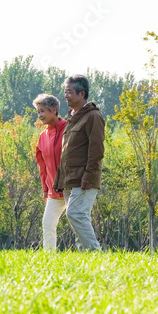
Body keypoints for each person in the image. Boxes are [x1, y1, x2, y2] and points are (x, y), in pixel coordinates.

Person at [52, 74, 103, 251]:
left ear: (82, 94)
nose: (66, 95)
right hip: (69, 178)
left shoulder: (93, 117)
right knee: (78, 218)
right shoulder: (72, 117)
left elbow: (96, 151)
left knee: (75, 214)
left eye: (70, 92)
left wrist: (89, 176)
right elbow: (66, 152)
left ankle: (95, 252)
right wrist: (59, 179)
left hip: (84, 178)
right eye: (65, 92)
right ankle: (86, 257)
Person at [33, 93, 67, 252]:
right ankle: (49, 257)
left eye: (42, 111)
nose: (40, 115)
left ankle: (88, 254)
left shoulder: (69, 129)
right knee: (47, 224)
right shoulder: (42, 137)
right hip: (54, 190)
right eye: (38, 112)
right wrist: (45, 190)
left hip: (71, 187)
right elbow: (43, 167)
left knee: (78, 222)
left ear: (54, 110)